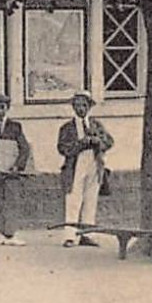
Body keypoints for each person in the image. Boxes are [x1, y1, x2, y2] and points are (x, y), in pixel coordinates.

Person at [57, 90, 112, 247]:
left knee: (90, 198)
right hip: (75, 165)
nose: (80, 108)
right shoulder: (67, 128)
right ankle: (70, 236)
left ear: (89, 107)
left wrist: (97, 141)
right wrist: (81, 143)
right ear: (73, 107)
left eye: (84, 105)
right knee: (73, 199)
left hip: (94, 163)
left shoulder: (96, 125)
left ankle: (87, 234)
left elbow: (109, 141)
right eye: (77, 105)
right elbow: (62, 148)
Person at [0, 94, 32, 246]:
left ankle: (12, 233)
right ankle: (0, 232)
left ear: (7, 108)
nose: (0, 111)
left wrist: (17, 165)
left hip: (11, 170)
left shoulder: (15, 127)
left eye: (2, 108)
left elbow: (24, 148)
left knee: (11, 200)